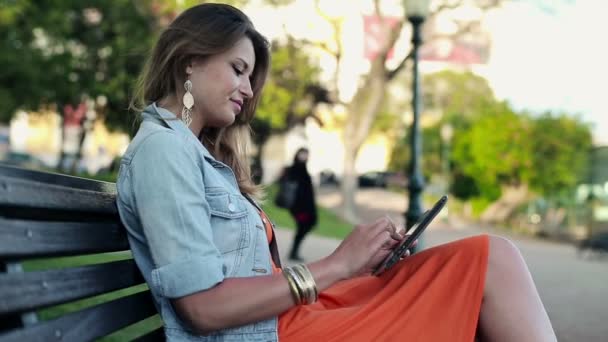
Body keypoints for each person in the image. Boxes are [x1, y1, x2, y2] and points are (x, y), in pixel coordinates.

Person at [116, 3, 557, 341]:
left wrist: (355, 267)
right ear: (190, 60)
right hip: (280, 332)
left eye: (250, 76)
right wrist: (335, 265)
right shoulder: (164, 151)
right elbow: (202, 308)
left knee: (481, 264)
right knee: (490, 262)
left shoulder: (189, 151)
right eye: (239, 70)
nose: (248, 90)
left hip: (292, 318)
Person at [280, 147, 317, 261]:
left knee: (307, 225)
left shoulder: (304, 169)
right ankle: (294, 252)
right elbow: (285, 184)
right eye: (302, 154)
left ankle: (294, 251)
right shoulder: (293, 169)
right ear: (297, 154)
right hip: (299, 207)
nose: (304, 157)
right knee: (303, 226)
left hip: (308, 205)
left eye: (306, 155)